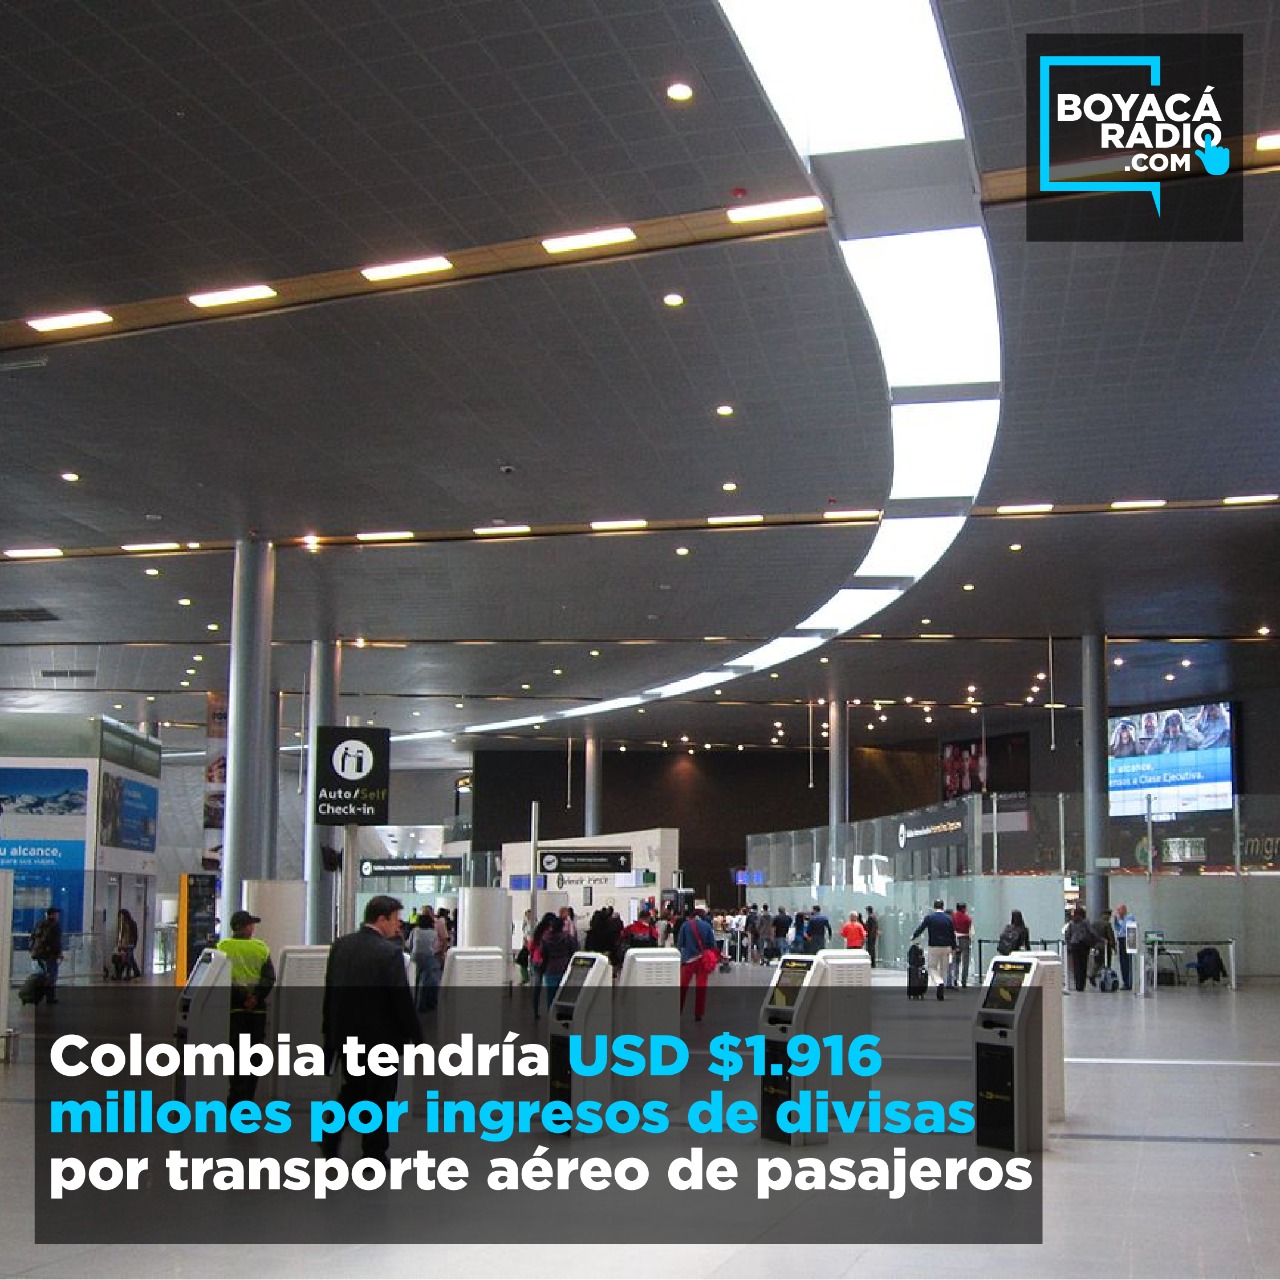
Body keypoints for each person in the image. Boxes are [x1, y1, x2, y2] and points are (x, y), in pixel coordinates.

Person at [321, 895, 421, 1165]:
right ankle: (374, 1152)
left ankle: (330, 1134)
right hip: (381, 1038)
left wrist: (329, 1032)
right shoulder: (389, 953)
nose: (398, 926)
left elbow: (330, 991)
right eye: (395, 920)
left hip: (346, 1035)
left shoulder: (341, 946)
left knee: (353, 1088)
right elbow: (400, 998)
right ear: (382, 919)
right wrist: (416, 1036)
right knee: (380, 1096)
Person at [216, 910, 275, 1105]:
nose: (253, 928)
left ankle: (235, 1096)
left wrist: (242, 997)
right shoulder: (261, 948)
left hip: (234, 1009)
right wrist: (255, 997)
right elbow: (269, 978)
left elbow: (222, 977)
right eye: (250, 924)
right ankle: (248, 1097)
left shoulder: (222, 947)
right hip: (257, 1010)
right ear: (243, 927)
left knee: (235, 1054)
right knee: (255, 1054)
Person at [911, 899, 957, 1001]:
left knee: (932, 967)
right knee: (944, 969)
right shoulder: (948, 919)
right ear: (943, 906)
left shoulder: (930, 917)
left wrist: (914, 936)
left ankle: (938, 982)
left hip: (934, 946)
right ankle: (942, 983)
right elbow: (952, 934)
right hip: (946, 947)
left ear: (934, 906)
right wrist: (954, 947)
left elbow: (921, 928)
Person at [677, 907, 716, 1021]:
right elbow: (712, 944)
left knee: (683, 986)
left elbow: (680, 943)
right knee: (701, 986)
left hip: (688, 959)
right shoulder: (707, 926)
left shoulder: (685, 925)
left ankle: (678, 1010)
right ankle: (698, 1013)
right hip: (702, 960)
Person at [539, 914, 578, 1009]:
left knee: (551, 996)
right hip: (565, 968)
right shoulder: (567, 938)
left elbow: (543, 954)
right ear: (562, 926)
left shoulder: (546, 939)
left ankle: (551, 1014)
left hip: (550, 969)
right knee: (564, 997)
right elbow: (574, 950)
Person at [408, 907, 442, 1012]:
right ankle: (423, 1004)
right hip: (428, 957)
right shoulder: (433, 933)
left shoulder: (415, 931)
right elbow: (436, 946)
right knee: (426, 981)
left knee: (415, 980)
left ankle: (413, 1003)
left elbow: (410, 944)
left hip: (415, 956)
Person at [29, 907, 63, 1004]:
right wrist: (59, 953)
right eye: (57, 914)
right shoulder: (55, 925)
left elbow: (32, 937)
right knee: (51, 976)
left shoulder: (39, 924)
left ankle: (35, 996)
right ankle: (50, 998)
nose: (58, 916)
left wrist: (32, 949)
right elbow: (55, 942)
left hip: (38, 954)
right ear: (53, 915)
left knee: (40, 975)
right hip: (49, 955)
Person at [1062, 906, 1096, 993]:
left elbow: (1067, 935)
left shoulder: (1071, 923)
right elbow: (1091, 932)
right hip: (1083, 945)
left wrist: (1069, 945)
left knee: (1076, 966)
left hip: (1074, 945)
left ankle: (1077, 984)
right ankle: (1082, 985)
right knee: (1083, 965)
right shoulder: (1085, 922)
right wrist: (1096, 940)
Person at [114, 907, 141, 980]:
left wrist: (134, 943)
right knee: (128, 959)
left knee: (128, 959)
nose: (120, 918)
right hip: (124, 944)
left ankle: (123, 975)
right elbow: (120, 935)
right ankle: (135, 973)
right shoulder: (122, 925)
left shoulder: (132, 924)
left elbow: (135, 935)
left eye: (122, 916)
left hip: (129, 944)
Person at [1089, 907, 1114, 986]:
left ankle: (1092, 974)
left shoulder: (1094, 923)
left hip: (1096, 946)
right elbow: (1111, 936)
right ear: (1108, 916)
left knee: (1097, 962)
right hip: (1105, 947)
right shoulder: (1107, 924)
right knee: (1107, 963)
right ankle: (1106, 979)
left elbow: (1091, 934)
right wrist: (1113, 947)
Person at [1113, 903, 1136, 990]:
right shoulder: (1121, 919)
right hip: (1121, 940)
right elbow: (1118, 929)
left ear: (1124, 910)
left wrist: (1120, 919)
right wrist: (1116, 921)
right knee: (1122, 962)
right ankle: (1124, 982)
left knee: (1127, 962)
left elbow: (1125, 928)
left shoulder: (1129, 917)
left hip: (1128, 940)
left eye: (1119, 910)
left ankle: (1128, 983)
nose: (1118, 912)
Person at [951, 902, 973, 987]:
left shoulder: (953, 917)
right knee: (965, 961)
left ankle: (955, 979)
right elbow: (971, 931)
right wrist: (971, 940)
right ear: (963, 909)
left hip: (955, 939)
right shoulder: (967, 918)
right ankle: (964, 981)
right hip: (964, 939)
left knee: (956, 960)